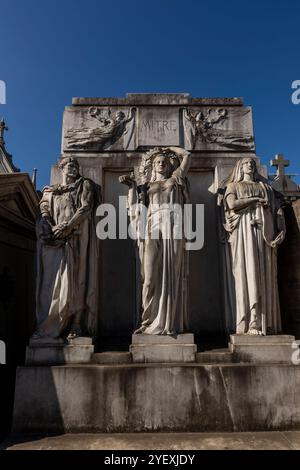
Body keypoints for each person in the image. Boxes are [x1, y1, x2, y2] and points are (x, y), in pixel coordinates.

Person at [120, 146, 191, 335]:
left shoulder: (175, 179)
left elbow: (187, 155)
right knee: (149, 277)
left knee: (173, 273)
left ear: (169, 165)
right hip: (153, 226)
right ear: (152, 166)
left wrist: (169, 149)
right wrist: (131, 188)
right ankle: (148, 320)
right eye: (158, 162)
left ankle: (171, 322)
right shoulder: (146, 187)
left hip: (174, 226)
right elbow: (135, 208)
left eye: (164, 161)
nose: (161, 164)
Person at [33, 156, 100, 340]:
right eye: (69, 165)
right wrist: (48, 222)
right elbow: (44, 207)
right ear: (61, 169)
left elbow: (85, 207)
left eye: (75, 166)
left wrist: (68, 226)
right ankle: (51, 325)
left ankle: (76, 324)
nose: (72, 168)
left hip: (76, 238)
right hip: (55, 240)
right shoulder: (50, 190)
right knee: (51, 284)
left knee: (76, 281)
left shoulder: (83, 185)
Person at [222, 157, 285, 335]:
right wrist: (255, 200)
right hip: (244, 233)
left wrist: (280, 228)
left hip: (264, 234)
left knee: (264, 274)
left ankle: (267, 320)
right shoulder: (234, 186)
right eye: (246, 163)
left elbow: (276, 209)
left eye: (252, 163)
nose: (250, 165)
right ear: (240, 167)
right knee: (248, 274)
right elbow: (232, 204)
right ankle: (252, 321)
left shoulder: (265, 187)